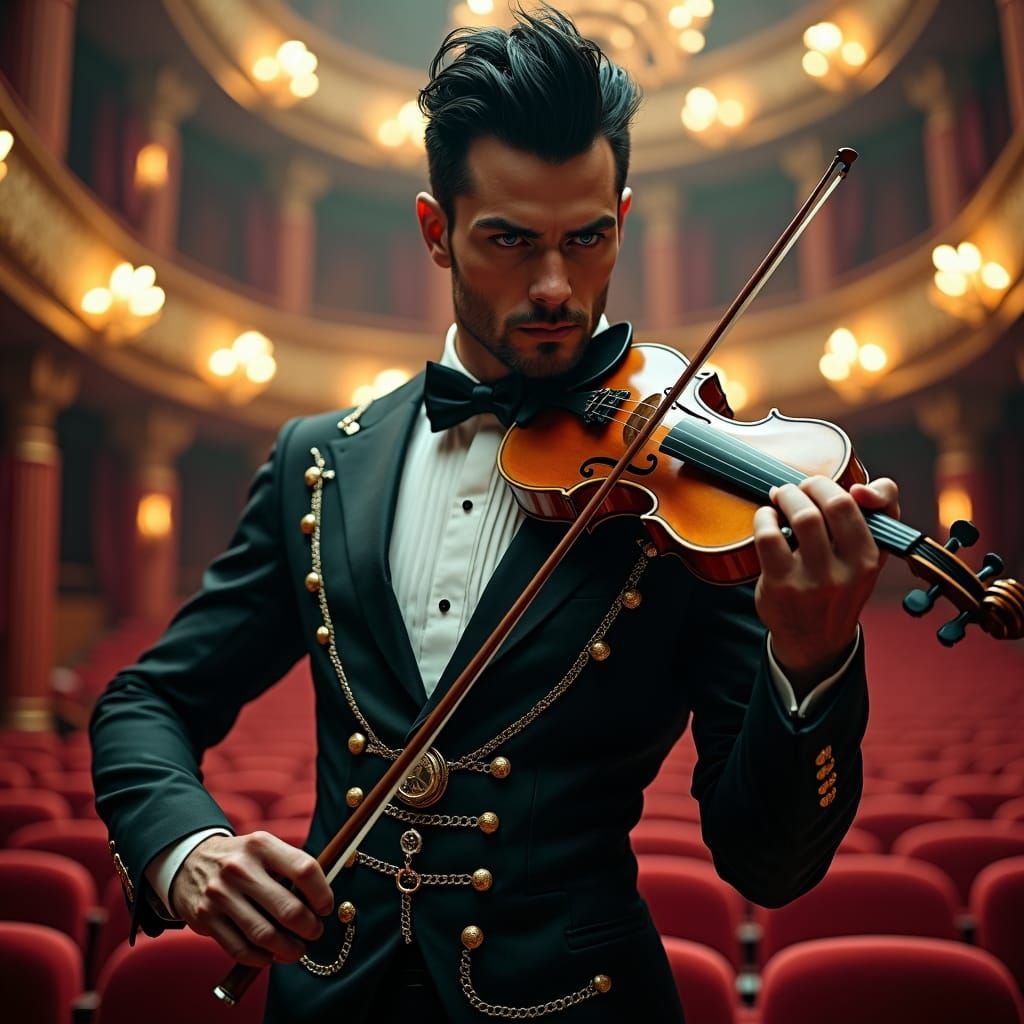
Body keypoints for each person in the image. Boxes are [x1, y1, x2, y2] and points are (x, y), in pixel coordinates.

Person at [90, 7, 899, 1021]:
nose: (557, 286)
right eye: (510, 241)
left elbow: (769, 863)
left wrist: (811, 660)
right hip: (330, 998)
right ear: (437, 232)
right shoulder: (316, 463)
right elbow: (144, 703)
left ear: (622, 218)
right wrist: (187, 849)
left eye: (587, 238)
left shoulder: (702, 498)